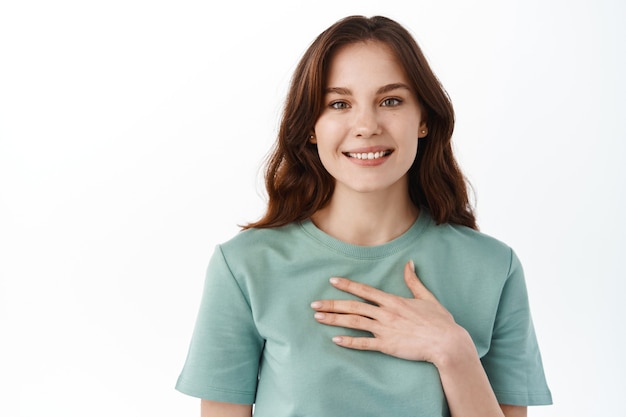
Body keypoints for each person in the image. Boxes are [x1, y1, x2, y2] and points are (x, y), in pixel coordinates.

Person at [176, 15, 552, 417]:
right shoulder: (244, 267)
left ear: (423, 119)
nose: (366, 126)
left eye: (391, 101)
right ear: (311, 128)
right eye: (339, 104)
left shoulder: (493, 268)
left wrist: (452, 350)